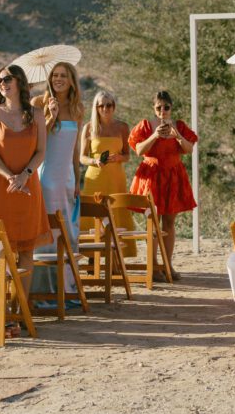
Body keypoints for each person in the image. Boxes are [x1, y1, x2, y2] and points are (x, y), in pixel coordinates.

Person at [0, 65, 51, 331]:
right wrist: (11, 177)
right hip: (1, 188)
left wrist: (25, 175)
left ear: (20, 82)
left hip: (29, 188)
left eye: (7, 78)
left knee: (25, 251)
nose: (2, 83)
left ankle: (19, 311)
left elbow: (41, 151)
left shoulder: (36, 114)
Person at [128, 90, 198, 281]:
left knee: (169, 222)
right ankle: (153, 267)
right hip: (152, 176)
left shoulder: (179, 126)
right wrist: (154, 136)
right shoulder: (145, 125)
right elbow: (138, 149)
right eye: (159, 107)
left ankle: (168, 265)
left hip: (173, 176)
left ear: (171, 108)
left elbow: (189, 149)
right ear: (154, 108)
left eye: (166, 107)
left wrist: (177, 136)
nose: (162, 111)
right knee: (153, 223)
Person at [30, 62, 84, 302]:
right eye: (55, 75)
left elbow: (75, 150)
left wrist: (77, 180)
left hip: (67, 181)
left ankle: (67, 290)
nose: (58, 79)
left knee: (69, 233)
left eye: (63, 76)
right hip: (46, 178)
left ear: (72, 80)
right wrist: (50, 116)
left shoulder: (77, 109)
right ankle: (43, 292)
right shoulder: (37, 104)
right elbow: (35, 142)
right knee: (47, 234)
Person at [81, 90, 136, 256]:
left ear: (114, 106)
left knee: (116, 212)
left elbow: (128, 155)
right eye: (102, 105)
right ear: (96, 108)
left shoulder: (123, 127)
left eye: (109, 105)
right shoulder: (89, 127)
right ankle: (93, 257)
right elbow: (82, 157)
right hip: (94, 178)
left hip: (115, 179)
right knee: (94, 214)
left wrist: (119, 157)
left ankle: (117, 257)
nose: (106, 108)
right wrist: (94, 161)